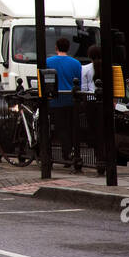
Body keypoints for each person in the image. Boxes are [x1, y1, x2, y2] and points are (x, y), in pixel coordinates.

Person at [46, 36, 84, 172]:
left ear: (56, 47)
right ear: (68, 48)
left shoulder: (48, 62)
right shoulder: (76, 63)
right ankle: (71, 154)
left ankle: (60, 155)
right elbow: (79, 83)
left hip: (54, 101)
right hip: (71, 101)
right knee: (71, 128)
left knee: (58, 129)